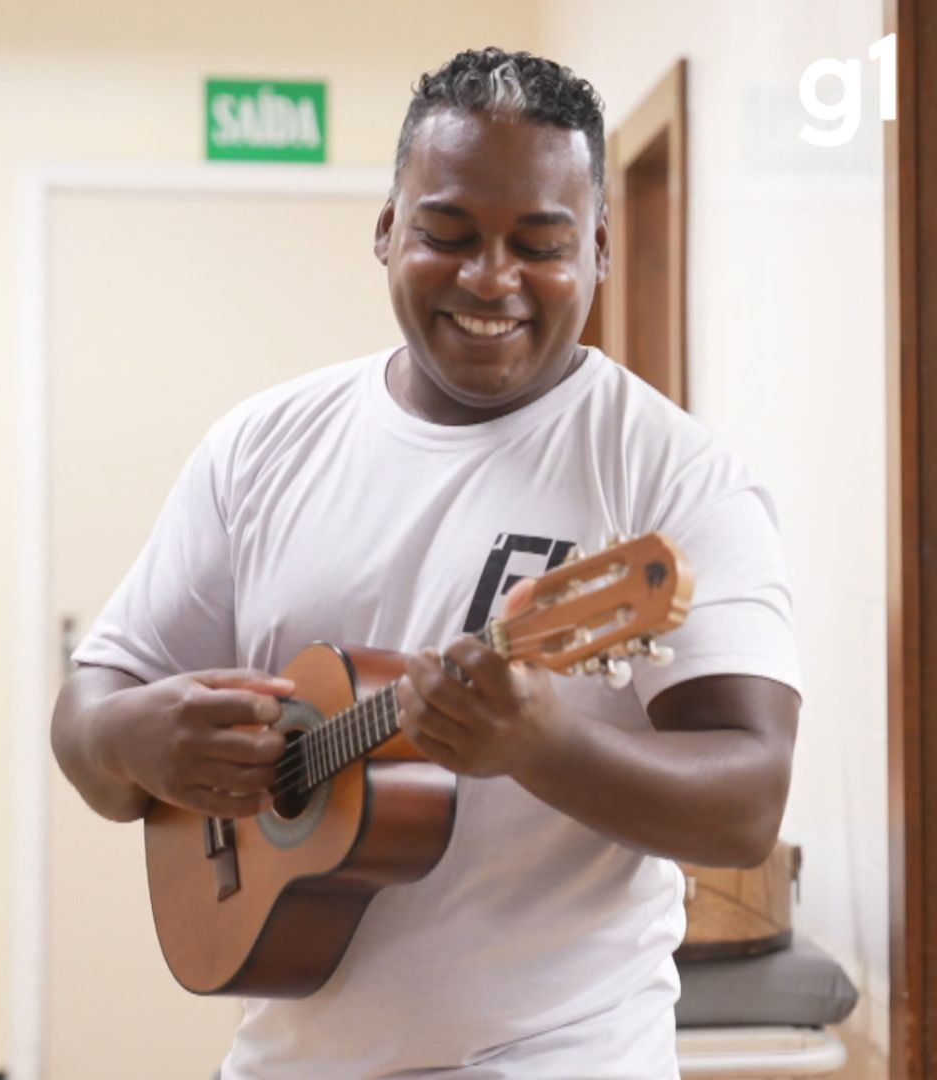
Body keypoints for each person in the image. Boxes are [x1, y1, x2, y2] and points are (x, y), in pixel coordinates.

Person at [51, 48, 800, 1078]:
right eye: (448, 234)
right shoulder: (262, 446)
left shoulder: (673, 478)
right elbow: (89, 709)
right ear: (386, 230)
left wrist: (543, 745)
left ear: (600, 250)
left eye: (540, 243)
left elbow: (749, 803)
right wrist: (130, 737)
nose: (491, 279)